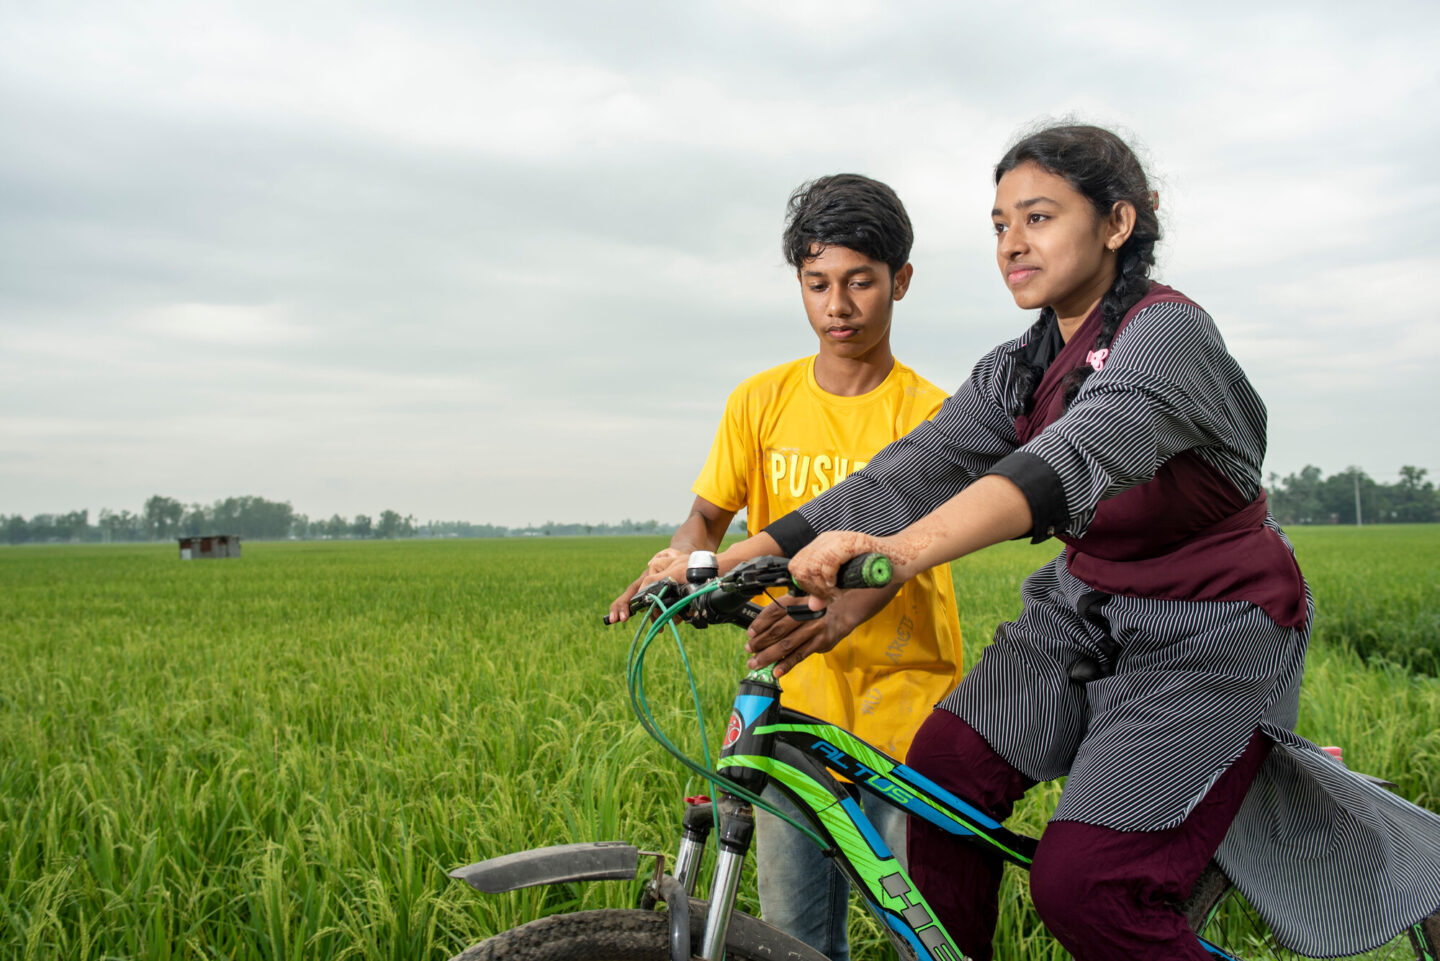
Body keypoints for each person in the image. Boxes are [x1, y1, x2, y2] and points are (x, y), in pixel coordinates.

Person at [690, 124, 1440, 961]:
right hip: (1083, 611)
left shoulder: (1170, 337)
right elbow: (908, 469)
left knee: (1088, 888)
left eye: (1038, 218)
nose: (1014, 243)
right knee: (937, 789)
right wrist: (726, 559)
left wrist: (902, 553)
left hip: (1208, 629)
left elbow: (1067, 459)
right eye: (1001, 225)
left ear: (1117, 223)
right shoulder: (1018, 365)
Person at [609, 173, 964, 961]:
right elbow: (707, 516)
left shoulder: (933, 416)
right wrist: (686, 560)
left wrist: (834, 607)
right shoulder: (759, 402)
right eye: (818, 283)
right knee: (791, 939)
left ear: (900, 281)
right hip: (785, 708)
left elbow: (902, 553)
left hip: (908, 715)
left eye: (860, 282)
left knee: (926, 937)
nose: (837, 306)